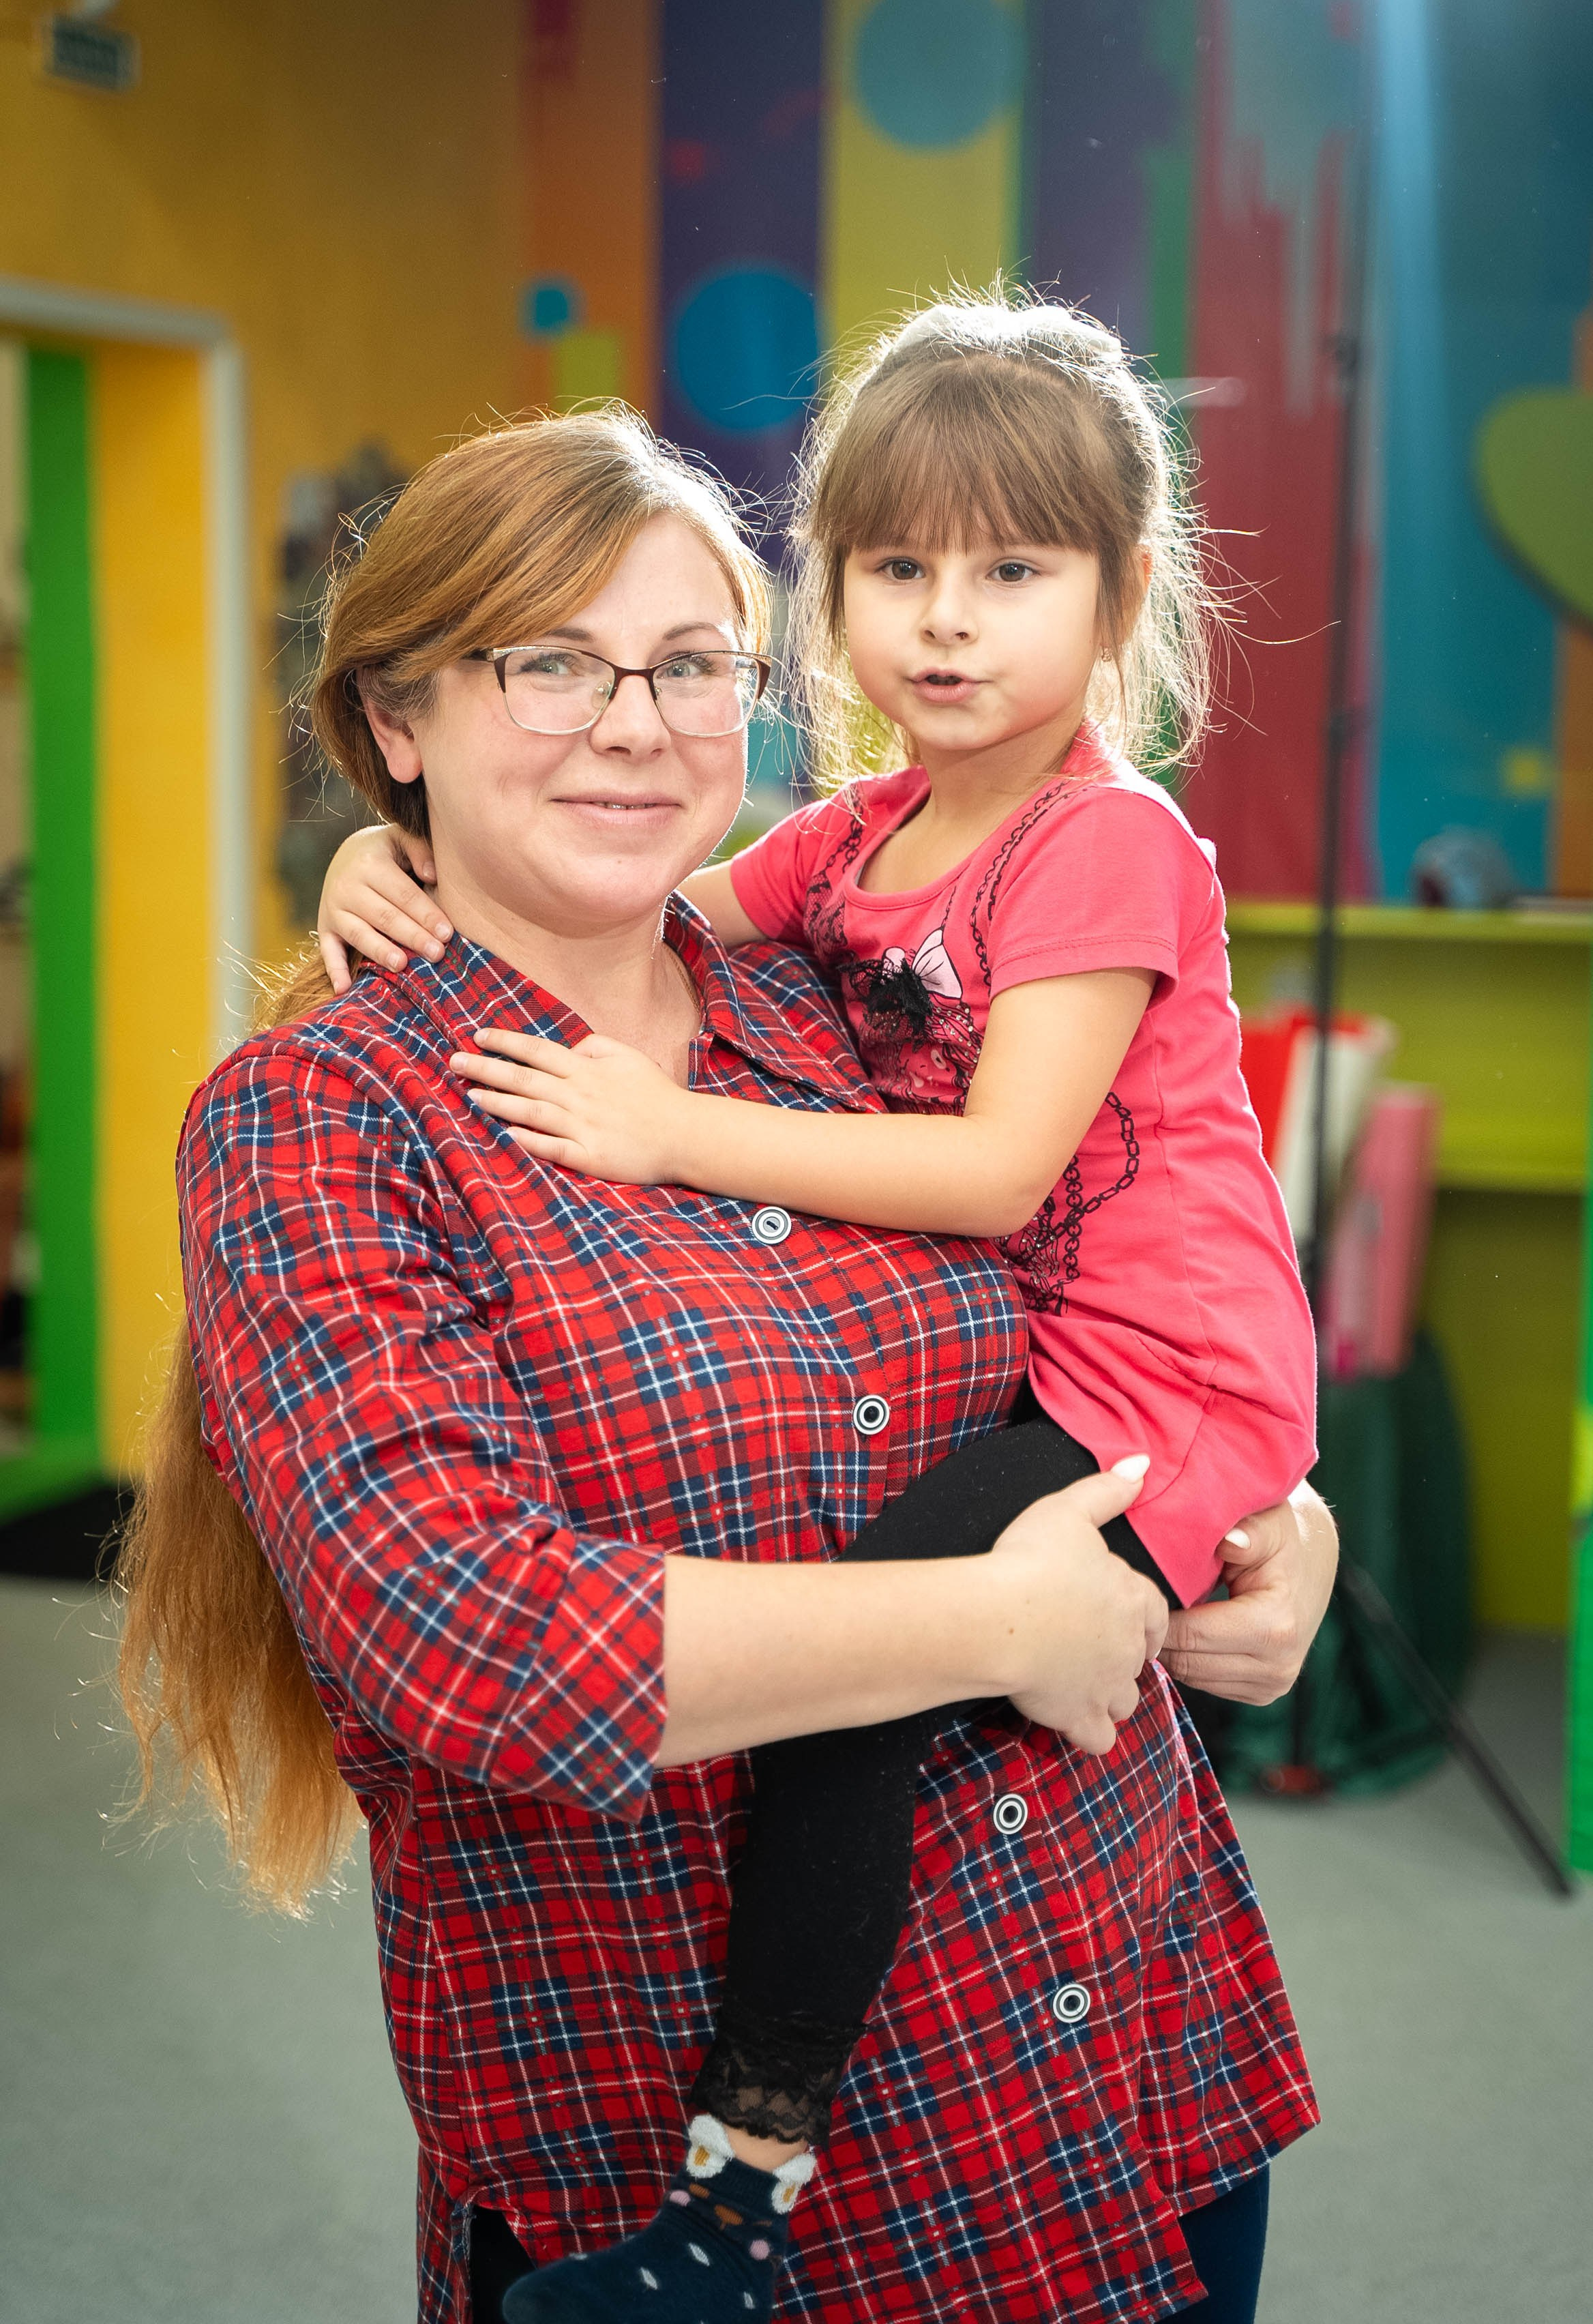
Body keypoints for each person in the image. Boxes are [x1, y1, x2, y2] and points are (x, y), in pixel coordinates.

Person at [119, 407, 1333, 2324]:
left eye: (689, 664)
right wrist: (997, 1624)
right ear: (399, 716)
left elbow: (1101, 1272)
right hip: (719, 2209)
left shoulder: (843, 998)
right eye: (549, 662)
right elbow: (466, 1635)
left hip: (1122, 2058)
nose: (634, 723)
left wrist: (1274, 1523)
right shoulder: (325, 1120)